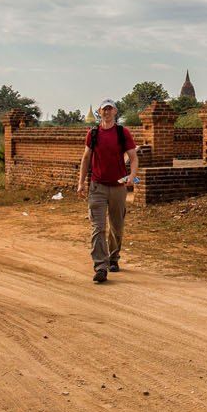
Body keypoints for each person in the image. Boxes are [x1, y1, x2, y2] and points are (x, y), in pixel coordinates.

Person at [75, 99, 138, 283]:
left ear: (115, 112)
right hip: (98, 186)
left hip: (118, 186)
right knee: (98, 228)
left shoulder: (122, 132)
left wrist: (132, 176)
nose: (107, 112)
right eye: (104, 109)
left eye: (110, 109)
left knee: (116, 227)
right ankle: (100, 266)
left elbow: (133, 157)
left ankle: (113, 257)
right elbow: (86, 159)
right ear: (99, 112)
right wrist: (81, 182)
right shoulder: (93, 134)